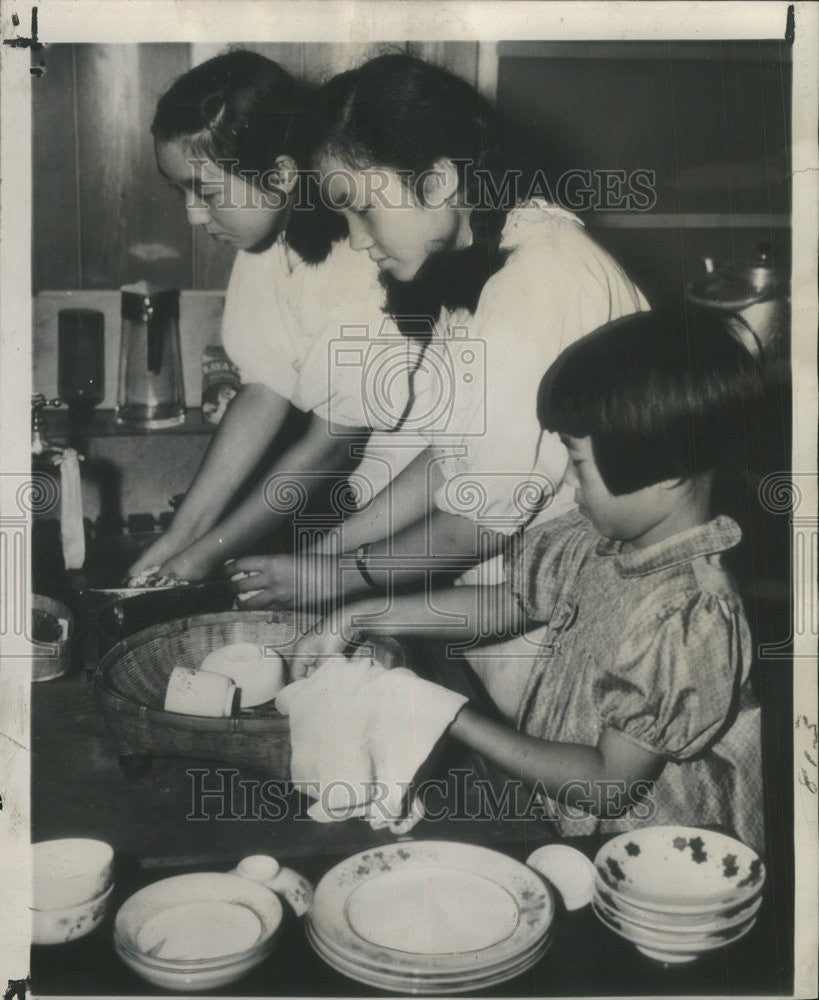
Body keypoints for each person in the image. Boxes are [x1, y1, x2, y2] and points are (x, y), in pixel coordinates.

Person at [228, 53, 646, 712]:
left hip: (593, 625)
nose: (359, 241)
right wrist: (332, 552)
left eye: (362, 209)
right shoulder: (479, 266)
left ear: (437, 181)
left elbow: (477, 518)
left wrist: (334, 578)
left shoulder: (538, 286)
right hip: (522, 597)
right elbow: (453, 457)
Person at [289, 310, 765, 852]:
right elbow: (510, 602)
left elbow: (608, 785)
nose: (566, 476)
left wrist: (446, 715)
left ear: (667, 468)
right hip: (572, 822)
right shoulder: (602, 540)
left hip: (652, 856)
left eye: (579, 461)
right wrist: (357, 615)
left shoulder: (688, 614)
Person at [129, 50, 397, 583]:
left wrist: (206, 554)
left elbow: (333, 444)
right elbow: (264, 391)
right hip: (372, 512)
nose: (192, 215)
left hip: (439, 525)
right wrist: (179, 538)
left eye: (204, 190)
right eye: (180, 189)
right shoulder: (267, 243)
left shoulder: (365, 257)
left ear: (279, 175)